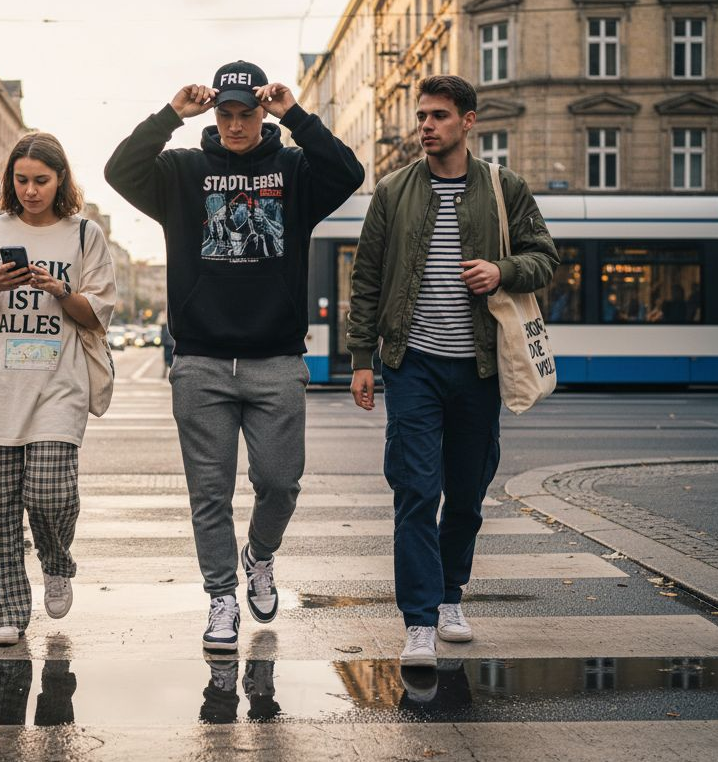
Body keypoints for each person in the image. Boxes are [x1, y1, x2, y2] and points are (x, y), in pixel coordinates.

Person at [105, 60, 364, 652]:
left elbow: (349, 171)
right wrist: (171, 115)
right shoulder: (181, 171)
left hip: (275, 359)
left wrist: (295, 115)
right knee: (210, 493)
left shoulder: (295, 170)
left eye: (247, 113)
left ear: (260, 113)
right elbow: (119, 170)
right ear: (214, 113)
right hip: (200, 361)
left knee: (281, 482)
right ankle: (222, 597)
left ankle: (260, 556)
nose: (236, 124)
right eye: (226, 113)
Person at [346, 75, 559, 667]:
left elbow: (546, 257)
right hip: (411, 365)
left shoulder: (503, 187)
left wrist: (502, 270)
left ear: (469, 121)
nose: (426, 125)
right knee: (416, 490)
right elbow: (366, 280)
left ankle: (448, 597)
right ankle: (418, 621)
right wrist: (362, 359)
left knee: (466, 493)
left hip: (479, 369)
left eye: (439, 115)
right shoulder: (392, 191)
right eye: (422, 116)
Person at [0, 132, 117, 647]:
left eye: (41, 180)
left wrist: (60, 289)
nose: (30, 190)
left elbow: (99, 314)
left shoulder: (84, 235)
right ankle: (5, 611)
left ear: (61, 179)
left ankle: (56, 561)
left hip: (58, 386)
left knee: (50, 492)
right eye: (21, 180)